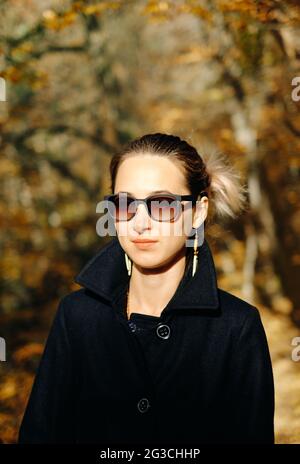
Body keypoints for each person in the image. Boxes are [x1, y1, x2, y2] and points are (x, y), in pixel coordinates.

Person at [18, 133, 275, 444]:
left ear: (197, 212)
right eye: (125, 204)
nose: (140, 223)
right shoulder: (77, 316)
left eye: (162, 204)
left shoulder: (237, 327)